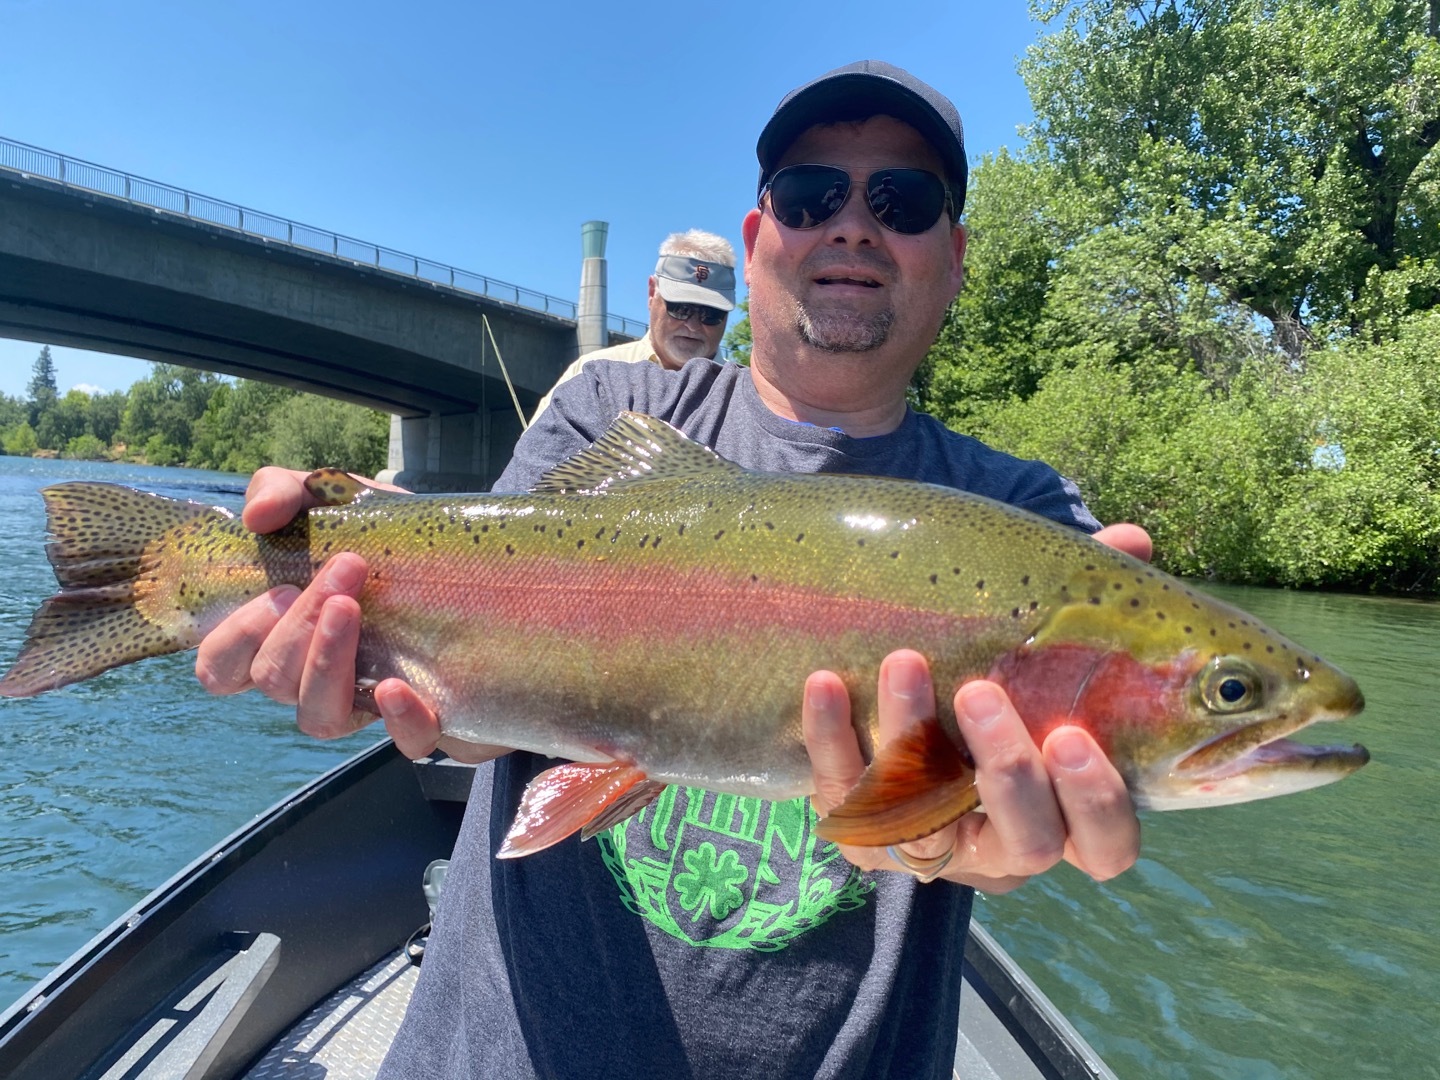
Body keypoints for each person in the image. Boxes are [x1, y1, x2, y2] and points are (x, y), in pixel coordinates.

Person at [196, 60, 1149, 1078]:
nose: (854, 225)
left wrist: (999, 848)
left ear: (953, 258)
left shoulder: (1028, 525)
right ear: (758, 237)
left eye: (902, 201)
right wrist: (341, 590)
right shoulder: (607, 418)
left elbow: (1061, 782)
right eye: (810, 193)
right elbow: (471, 730)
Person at [530, 229, 737, 421]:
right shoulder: (589, 375)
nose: (692, 325)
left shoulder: (746, 395)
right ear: (651, 293)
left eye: (710, 314)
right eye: (681, 308)